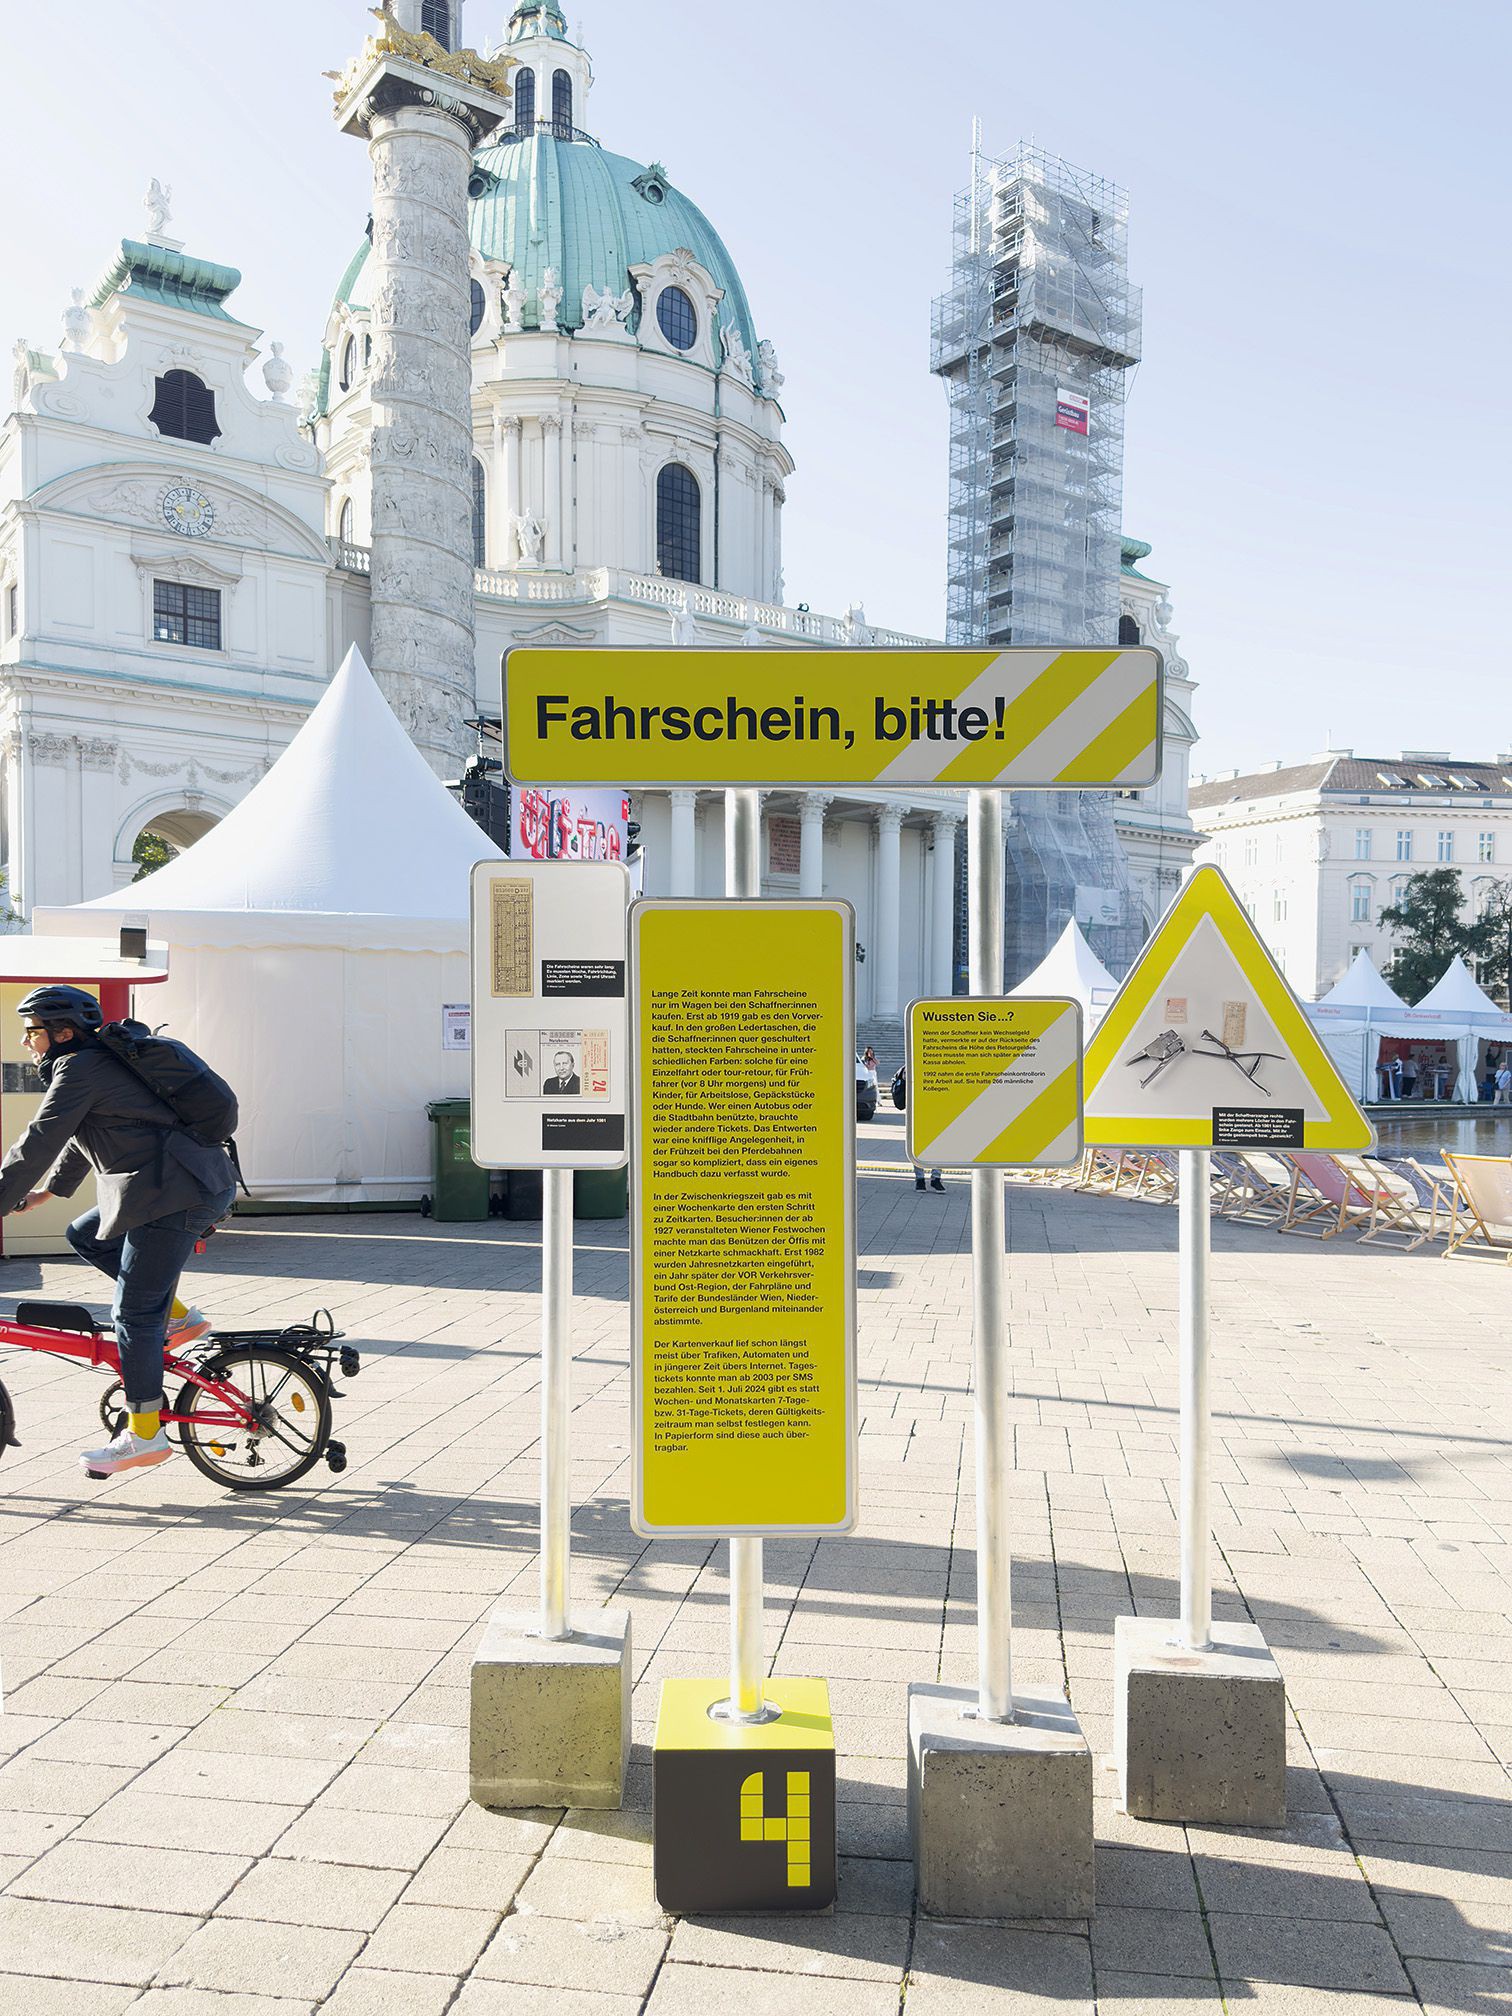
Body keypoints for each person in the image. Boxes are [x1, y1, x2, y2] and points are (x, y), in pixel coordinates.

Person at [0, 987, 236, 1478]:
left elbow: (40, 1139)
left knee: (132, 1315)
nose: (27, 1041)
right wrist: (47, 1194)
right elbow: (82, 1133)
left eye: (32, 1032)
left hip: (172, 1192)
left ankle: (145, 1434)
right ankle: (180, 1319)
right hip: (167, 1185)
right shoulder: (92, 1063)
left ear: (61, 1033)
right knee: (86, 1235)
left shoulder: (80, 1068)